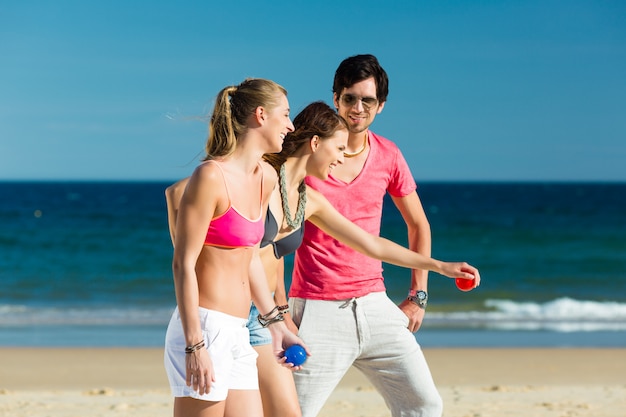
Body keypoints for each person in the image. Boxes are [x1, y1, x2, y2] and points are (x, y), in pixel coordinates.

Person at [168, 101, 479, 417]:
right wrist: (191, 257)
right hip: (227, 312)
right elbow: (178, 193)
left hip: (263, 317)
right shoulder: (262, 176)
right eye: (339, 148)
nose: (342, 157)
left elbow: (369, 243)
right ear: (315, 143)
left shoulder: (309, 200)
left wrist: (438, 265)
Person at [289, 55, 478, 417]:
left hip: (376, 305)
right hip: (317, 310)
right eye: (349, 98)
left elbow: (418, 225)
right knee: (293, 412)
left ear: (381, 106)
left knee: (423, 405)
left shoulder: (388, 155)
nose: (358, 108)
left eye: (368, 100)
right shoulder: (309, 156)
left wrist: (417, 295)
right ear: (335, 98)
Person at [163, 77, 306, 417]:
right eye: (285, 114)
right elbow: (183, 264)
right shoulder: (210, 177)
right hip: (204, 328)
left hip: (240, 330)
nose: (291, 124)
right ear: (260, 115)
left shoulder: (266, 177)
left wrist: (276, 327)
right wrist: (194, 345)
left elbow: (250, 260)